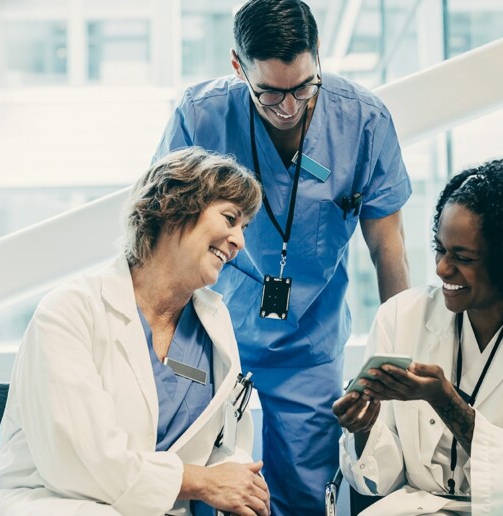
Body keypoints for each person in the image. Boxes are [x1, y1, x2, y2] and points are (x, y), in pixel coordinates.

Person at [153, 0, 411, 513]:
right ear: (237, 66)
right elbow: (162, 238)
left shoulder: (362, 122)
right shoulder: (200, 117)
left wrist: (394, 367)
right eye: (269, 92)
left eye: (303, 87)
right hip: (207, 337)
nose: (289, 107)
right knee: (210, 482)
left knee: (305, 490)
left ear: (319, 57)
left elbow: (389, 251)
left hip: (308, 343)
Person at [0, 147, 271, 516]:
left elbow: (227, 444)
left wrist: (239, 484)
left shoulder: (213, 325)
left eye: (243, 228)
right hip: (55, 502)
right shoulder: (70, 311)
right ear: (174, 209)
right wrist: (202, 482)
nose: (239, 241)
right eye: (230, 219)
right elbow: (79, 461)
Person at [333, 158, 503, 515]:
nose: (442, 268)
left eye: (463, 257)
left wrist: (447, 403)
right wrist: (363, 428)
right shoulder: (401, 315)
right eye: (439, 249)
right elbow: (378, 480)